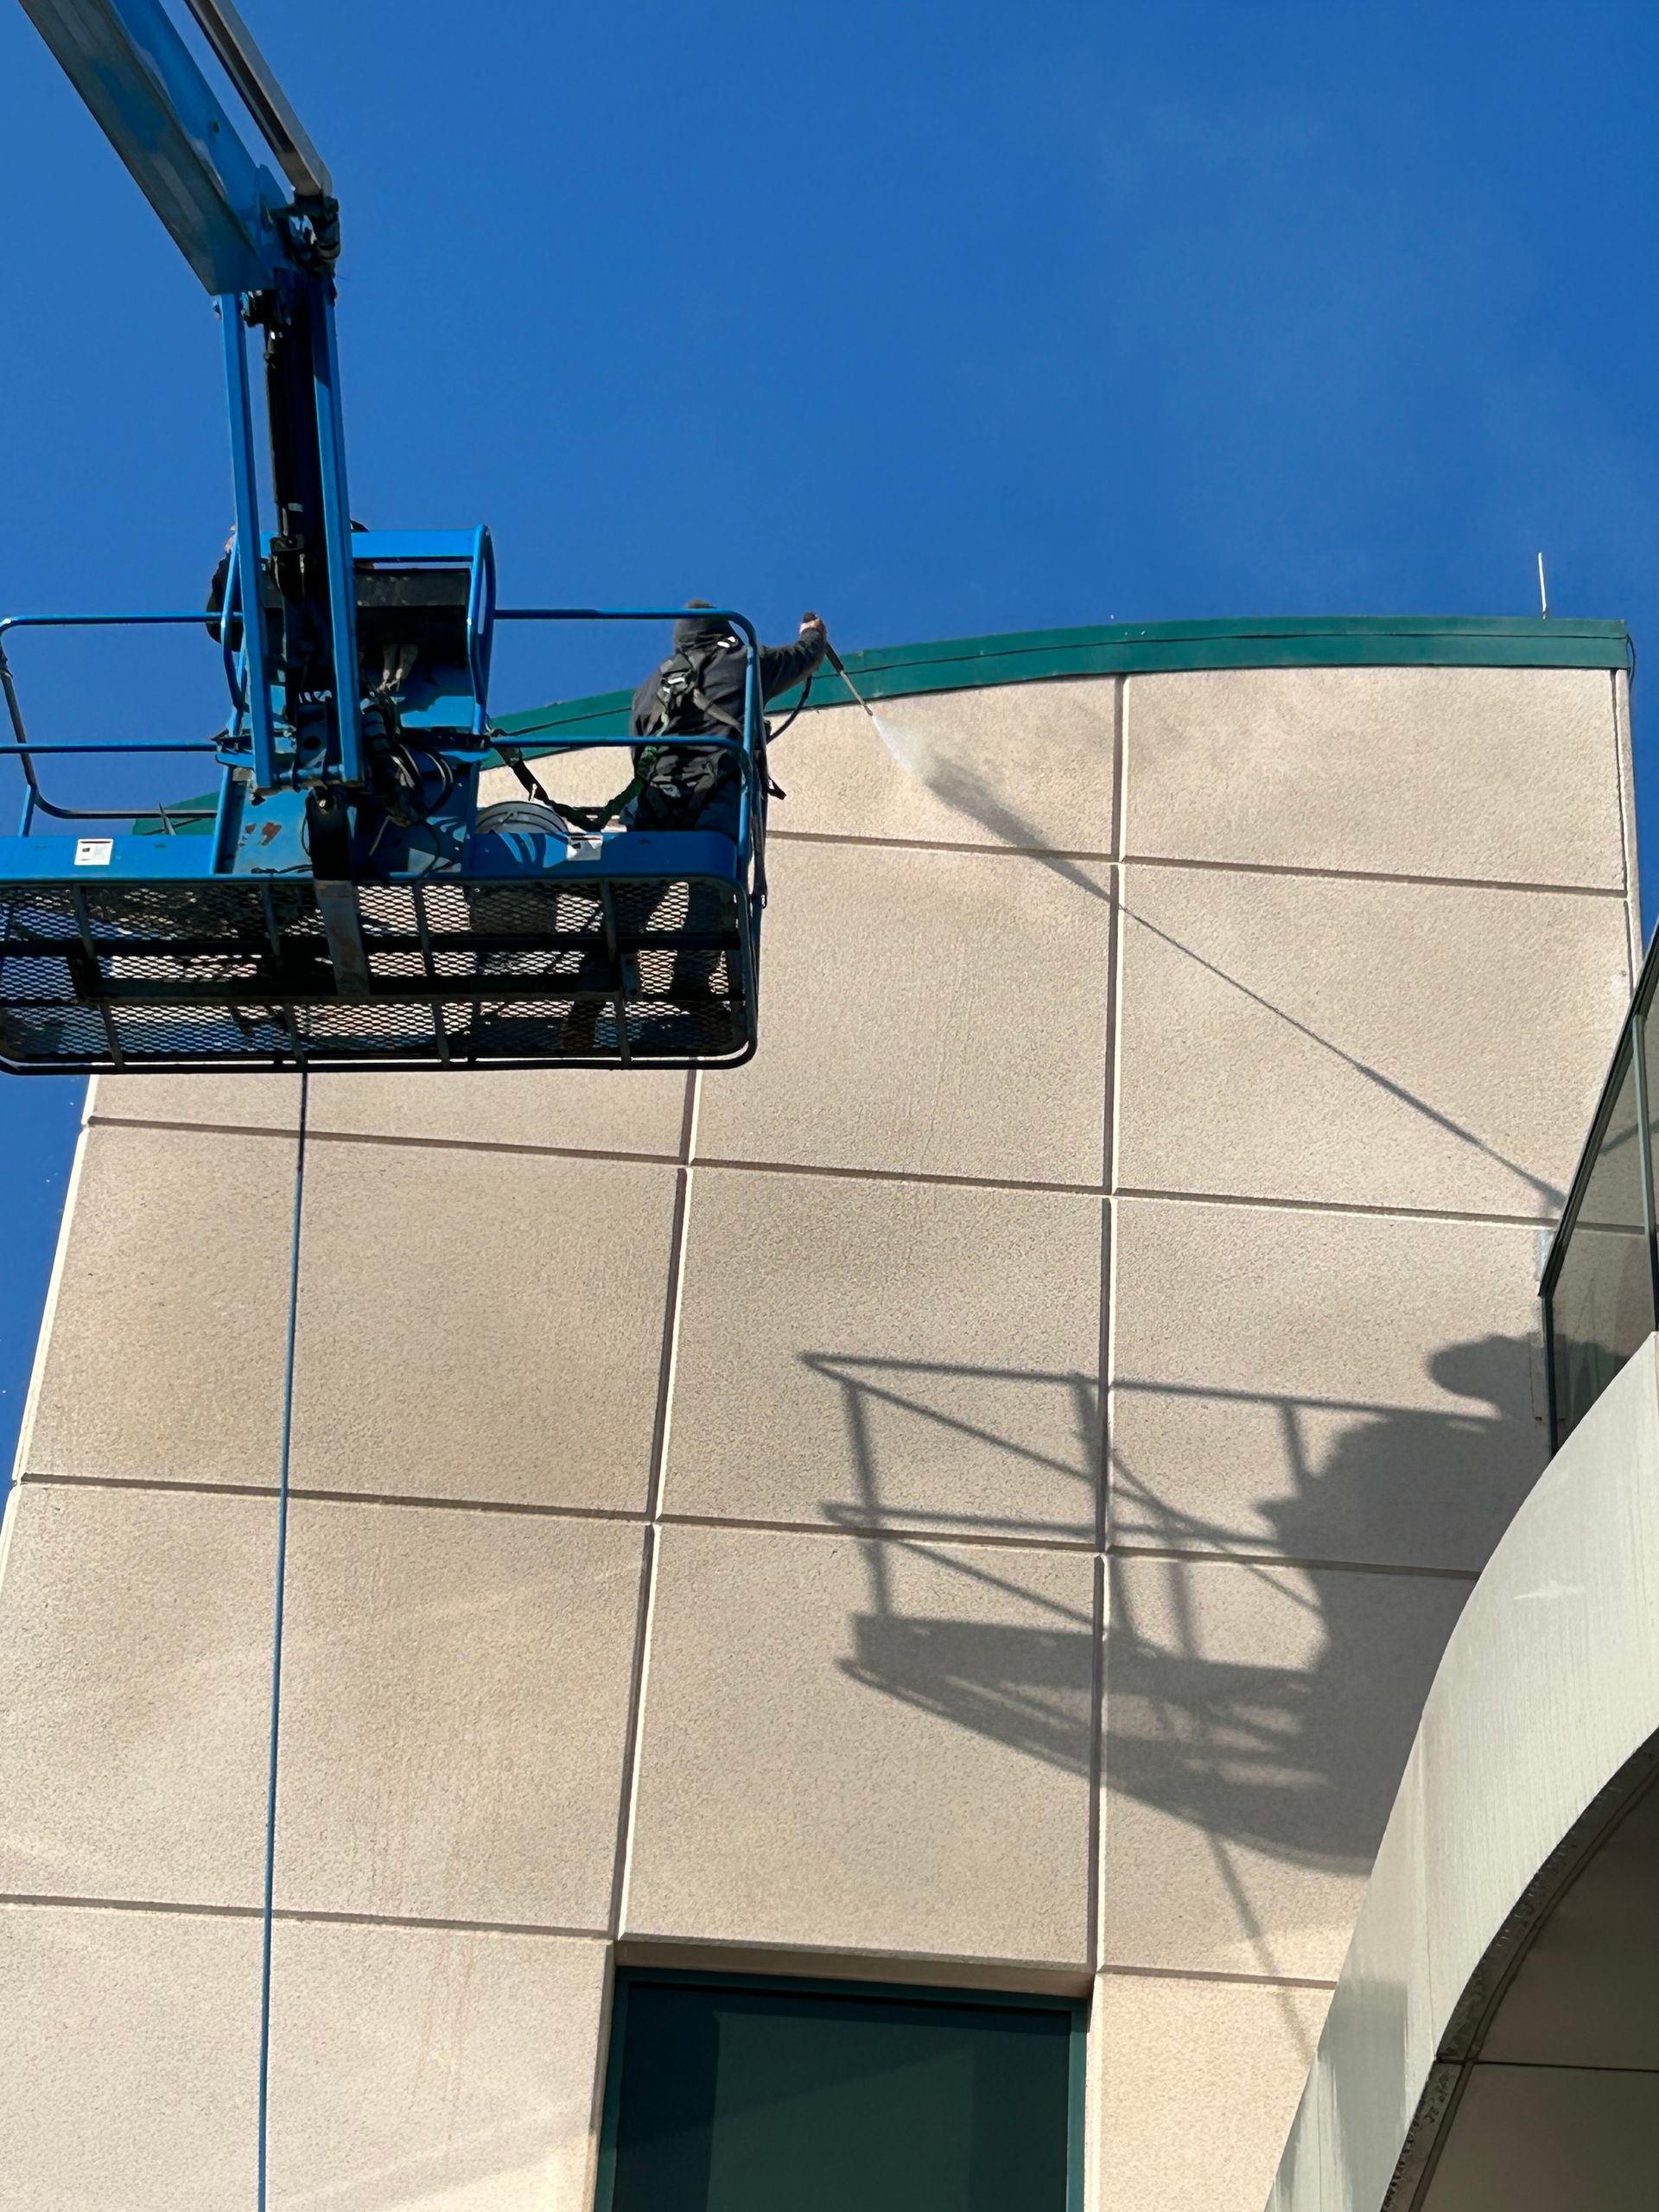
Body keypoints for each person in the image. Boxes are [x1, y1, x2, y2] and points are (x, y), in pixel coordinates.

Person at [628, 602, 827, 839]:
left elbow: (637, 753)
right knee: (714, 861)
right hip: (718, 800)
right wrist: (812, 633)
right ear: (724, 631)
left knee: (642, 864)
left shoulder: (648, 689)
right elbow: (803, 656)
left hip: (655, 805)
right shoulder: (746, 662)